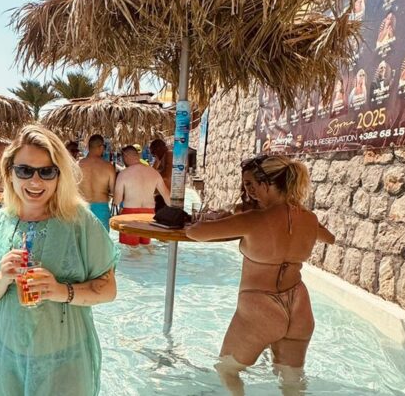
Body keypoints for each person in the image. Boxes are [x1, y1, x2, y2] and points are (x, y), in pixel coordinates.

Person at [0, 125, 118, 396]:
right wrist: (2, 277)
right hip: (7, 358)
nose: (35, 182)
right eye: (24, 171)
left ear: (60, 175)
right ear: (9, 172)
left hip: (65, 359)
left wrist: (60, 291)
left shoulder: (80, 222)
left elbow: (108, 289)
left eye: (47, 172)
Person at [186, 155, 334, 395]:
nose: (250, 191)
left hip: (261, 306)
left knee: (227, 370)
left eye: (252, 185)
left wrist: (222, 218)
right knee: (292, 379)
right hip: (299, 304)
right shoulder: (309, 218)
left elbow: (195, 233)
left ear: (267, 184)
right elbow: (330, 238)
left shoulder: (254, 219)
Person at [114, 145, 170, 246]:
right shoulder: (154, 173)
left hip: (129, 215)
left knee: (130, 249)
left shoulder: (123, 174)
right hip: (149, 215)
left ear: (126, 157)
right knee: (145, 246)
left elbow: (117, 201)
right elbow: (167, 198)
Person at [78, 134, 116, 230]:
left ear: (88, 147)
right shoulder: (108, 167)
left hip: (82, 207)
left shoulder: (77, 165)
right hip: (101, 207)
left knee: (82, 238)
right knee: (102, 238)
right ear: (101, 147)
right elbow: (113, 191)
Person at [149, 139, 173, 212]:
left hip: (165, 196)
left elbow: (167, 175)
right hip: (160, 196)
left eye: (153, 152)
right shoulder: (160, 159)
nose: (153, 155)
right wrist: (157, 160)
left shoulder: (169, 154)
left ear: (159, 148)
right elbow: (151, 172)